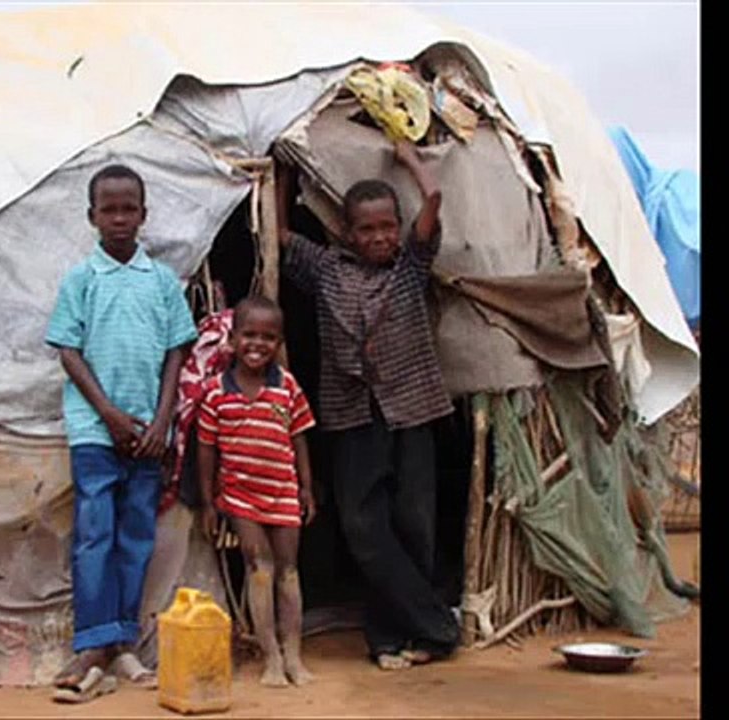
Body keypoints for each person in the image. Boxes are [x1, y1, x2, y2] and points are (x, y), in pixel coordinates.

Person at [277, 140, 460, 669]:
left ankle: (391, 638)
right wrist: (286, 175)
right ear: (348, 232)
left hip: (413, 409)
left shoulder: (410, 267)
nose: (379, 236)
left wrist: (410, 162)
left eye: (387, 226)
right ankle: (437, 626)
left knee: (414, 523)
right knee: (363, 527)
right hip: (353, 414)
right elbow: (280, 234)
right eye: (367, 229)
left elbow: (435, 203)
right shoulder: (327, 270)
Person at [45, 164, 197, 702]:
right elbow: (68, 349)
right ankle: (92, 643)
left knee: (136, 537)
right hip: (95, 429)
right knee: (94, 534)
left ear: (143, 214)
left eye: (128, 208)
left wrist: (161, 421)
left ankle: (123, 641)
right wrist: (108, 413)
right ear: (91, 217)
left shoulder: (161, 282)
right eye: (108, 209)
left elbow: (177, 351)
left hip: (149, 433)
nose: (118, 218)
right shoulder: (81, 280)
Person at [197, 296, 317, 687]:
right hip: (240, 496)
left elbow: (298, 437)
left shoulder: (288, 387)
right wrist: (209, 501)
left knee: (289, 572)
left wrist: (306, 488)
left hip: (282, 491)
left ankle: (294, 654)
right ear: (231, 340)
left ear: (279, 343)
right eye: (249, 334)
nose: (257, 344)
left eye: (268, 337)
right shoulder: (216, 392)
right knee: (259, 570)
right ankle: (270, 657)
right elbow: (206, 449)